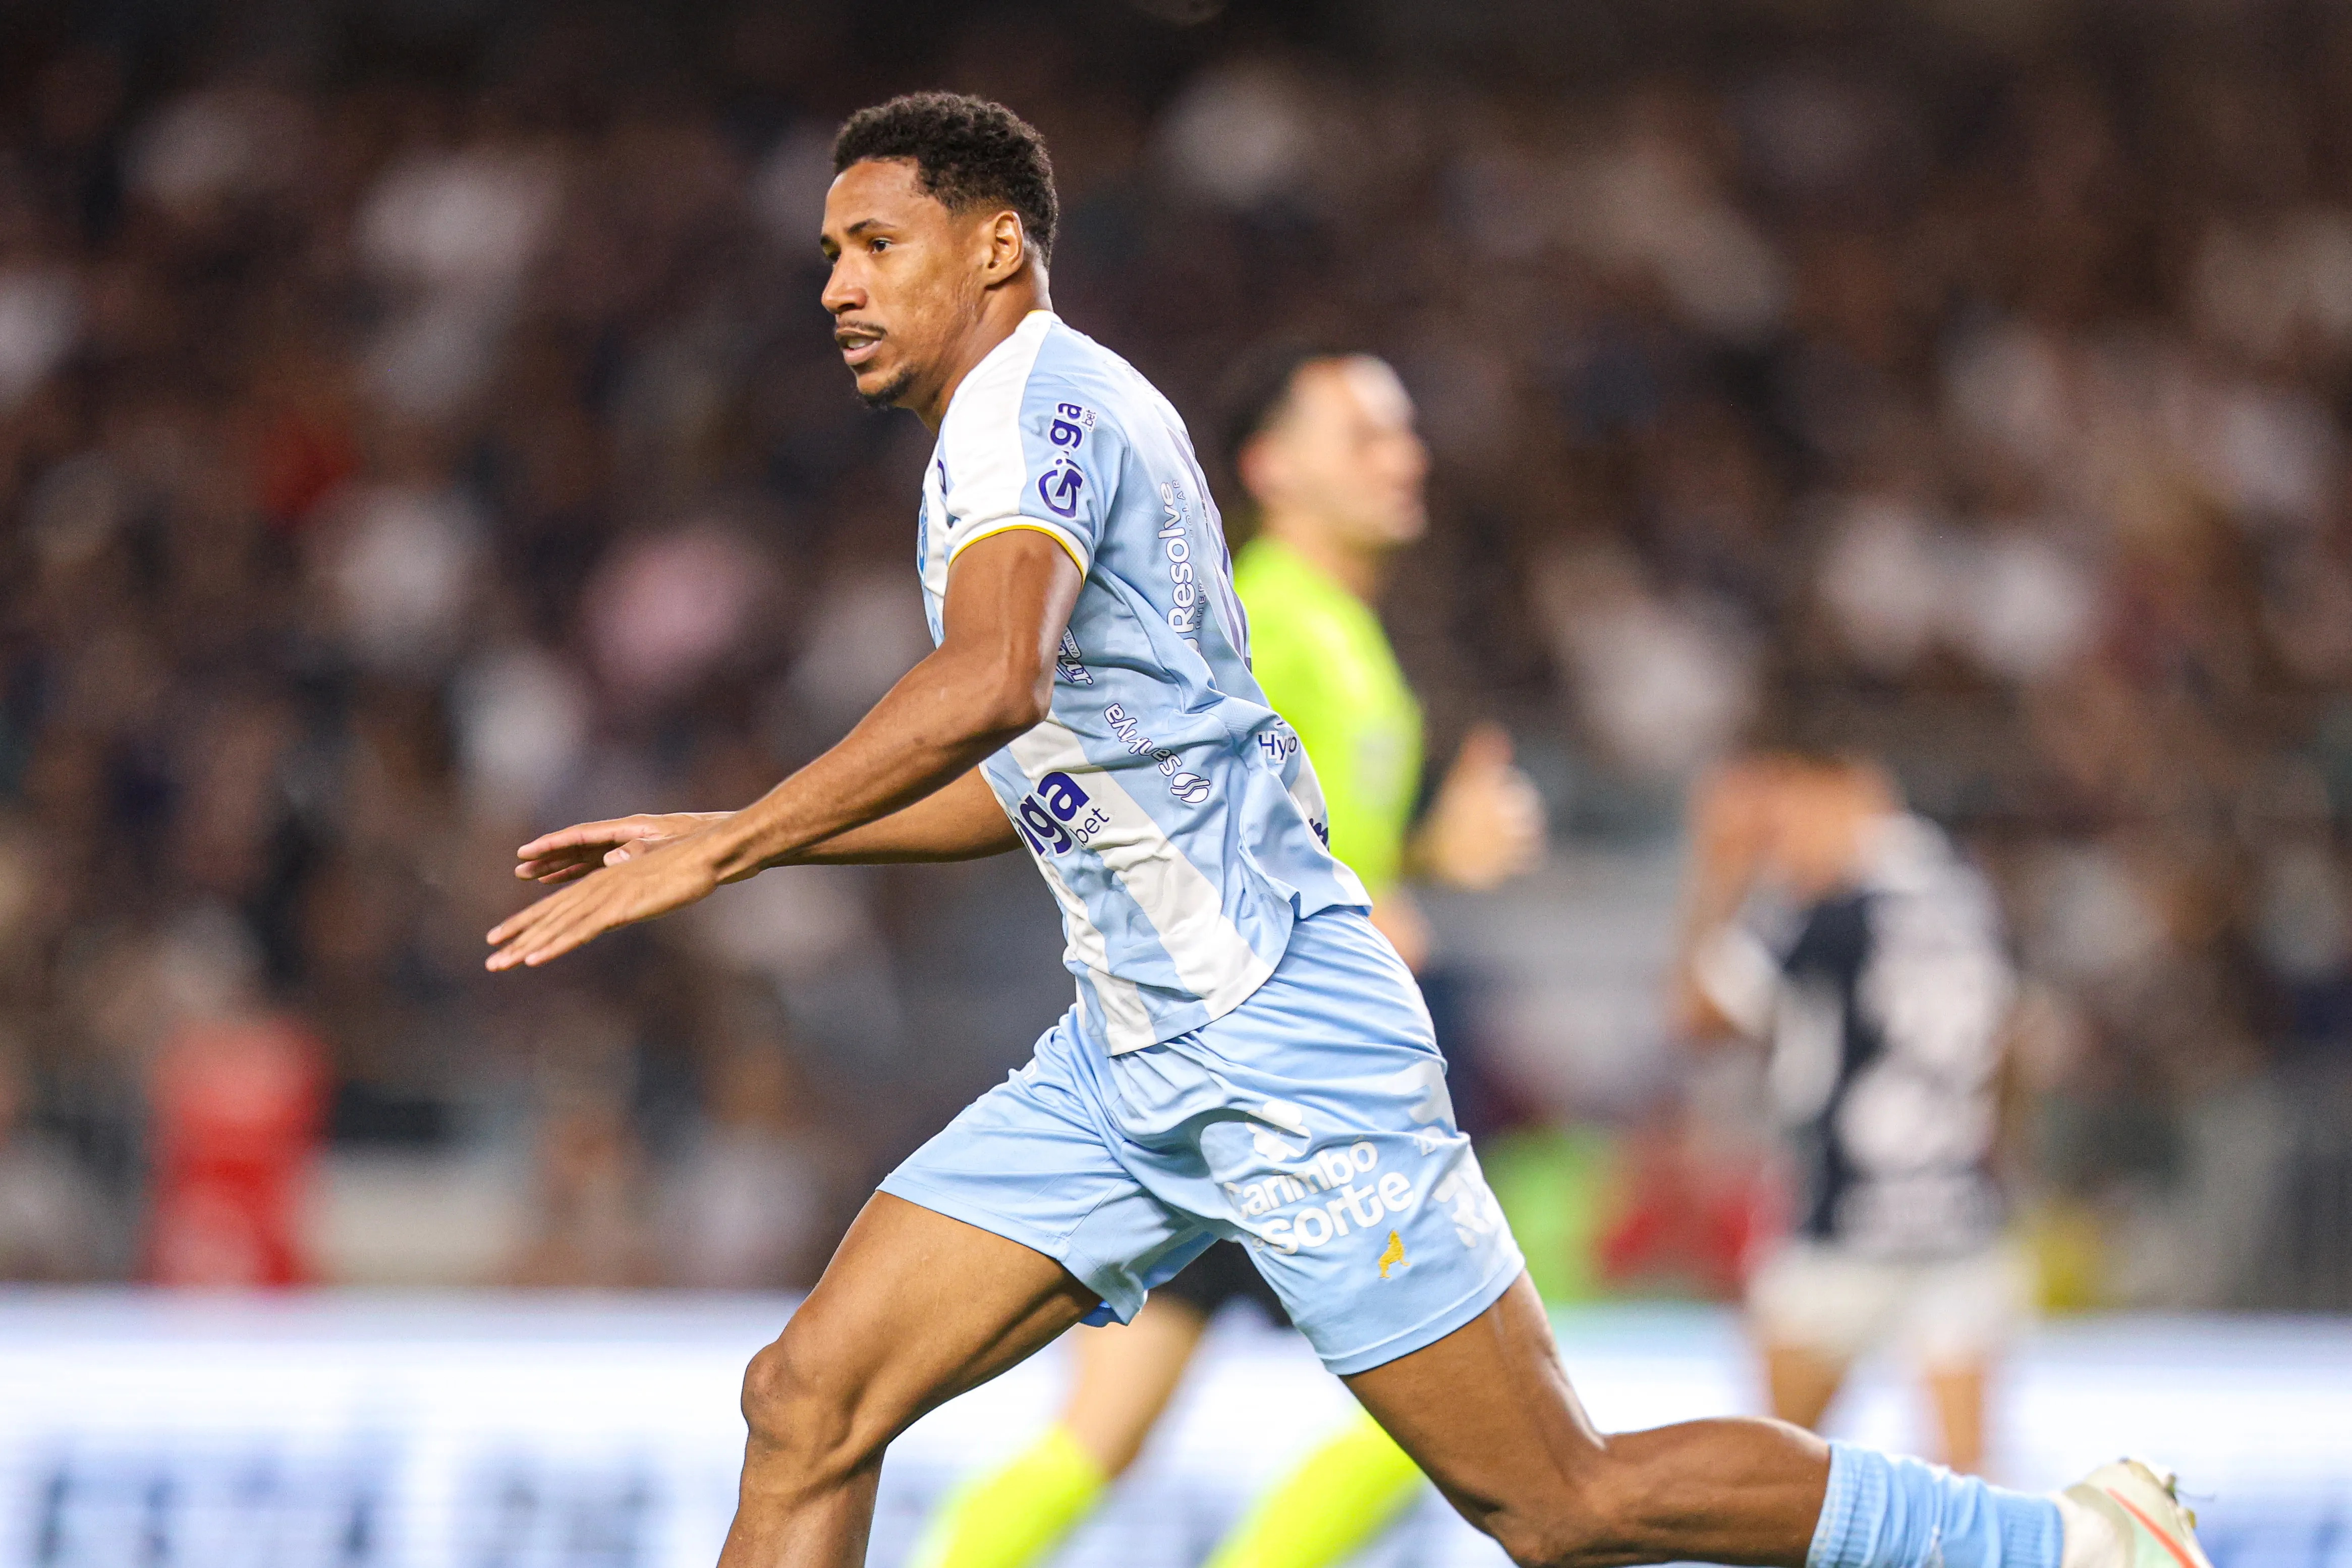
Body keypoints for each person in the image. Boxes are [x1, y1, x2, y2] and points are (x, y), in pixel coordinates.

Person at [485, 91, 2209, 1568]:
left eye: (874, 245)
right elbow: (1037, 771)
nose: (837, 287)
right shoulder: (1011, 434)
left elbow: (991, 680)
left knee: (1562, 1504)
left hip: (1284, 1046)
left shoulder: (1036, 410)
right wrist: (751, 829)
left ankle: (2064, 1540)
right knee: (807, 1394)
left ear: (995, 246)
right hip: (1130, 1052)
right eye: (827, 257)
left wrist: (723, 851)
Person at [905, 345, 1546, 1568]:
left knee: (1099, 1441)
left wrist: (1417, 857)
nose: (1401, 456)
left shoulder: (1340, 636)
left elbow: (1279, 831)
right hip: (1283, 1080)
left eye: (1404, 432)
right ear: (1272, 468)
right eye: (1363, 434)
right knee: (1452, 1426)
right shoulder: (1255, 621)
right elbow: (1178, 811)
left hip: (1226, 1076)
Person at [1677, 754, 2030, 1476]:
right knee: (1972, 1497)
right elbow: (2010, 1044)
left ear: (1842, 794)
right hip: (1957, 1221)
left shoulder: (1829, 905)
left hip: (1843, 1226)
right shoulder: (1964, 892)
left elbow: (1696, 1015)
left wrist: (1719, 872)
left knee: (1771, 1485)